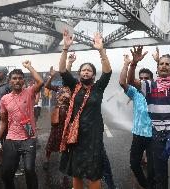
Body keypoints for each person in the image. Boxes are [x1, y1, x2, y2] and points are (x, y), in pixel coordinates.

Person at [127, 45, 170, 189]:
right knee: (160, 178)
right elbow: (131, 82)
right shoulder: (149, 85)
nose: (164, 66)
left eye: (167, 64)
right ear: (157, 68)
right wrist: (133, 63)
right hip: (158, 137)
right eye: (161, 64)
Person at [58, 29, 112, 189]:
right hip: (76, 135)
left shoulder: (98, 88)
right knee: (77, 170)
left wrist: (101, 50)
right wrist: (65, 48)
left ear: (94, 75)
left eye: (89, 70)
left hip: (94, 136)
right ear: (79, 74)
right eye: (83, 70)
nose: (86, 72)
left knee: (94, 171)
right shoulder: (75, 86)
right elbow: (62, 70)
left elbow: (108, 71)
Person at [0, 60, 43, 189]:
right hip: (11, 139)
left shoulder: (30, 92)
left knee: (29, 170)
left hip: (28, 139)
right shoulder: (5, 99)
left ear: (23, 81)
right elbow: (3, 121)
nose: (17, 81)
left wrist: (29, 66)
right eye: (14, 78)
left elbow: (40, 82)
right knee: (6, 173)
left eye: (20, 78)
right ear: (10, 81)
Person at [119, 54, 153, 188]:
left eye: (147, 78)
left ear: (151, 80)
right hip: (138, 134)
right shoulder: (134, 92)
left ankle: (153, 184)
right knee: (134, 163)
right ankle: (146, 185)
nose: (143, 80)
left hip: (153, 134)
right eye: (141, 78)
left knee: (153, 165)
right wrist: (128, 64)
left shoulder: (155, 90)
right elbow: (122, 82)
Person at [43, 53, 76, 170]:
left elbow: (67, 72)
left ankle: (65, 160)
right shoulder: (59, 88)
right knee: (53, 136)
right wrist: (51, 76)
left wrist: (70, 63)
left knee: (66, 137)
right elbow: (46, 85)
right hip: (58, 114)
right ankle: (47, 159)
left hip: (68, 115)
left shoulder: (73, 88)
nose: (64, 78)